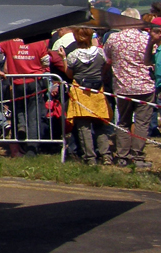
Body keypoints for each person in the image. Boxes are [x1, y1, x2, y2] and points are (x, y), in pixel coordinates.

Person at [103, 9, 155, 167]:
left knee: (123, 122)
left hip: (123, 87)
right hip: (145, 86)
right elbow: (152, 59)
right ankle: (137, 156)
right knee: (141, 123)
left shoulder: (114, 38)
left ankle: (122, 155)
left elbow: (107, 58)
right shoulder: (146, 38)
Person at [62, 27, 112, 165]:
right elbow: (106, 66)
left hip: (80, 92)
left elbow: (69, 74)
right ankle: (106, 155)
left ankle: (90, 158)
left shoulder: (73, 55)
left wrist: (63, 59)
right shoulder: (100, 53)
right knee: (100, 125)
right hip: (97, 91)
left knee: (83, 127)